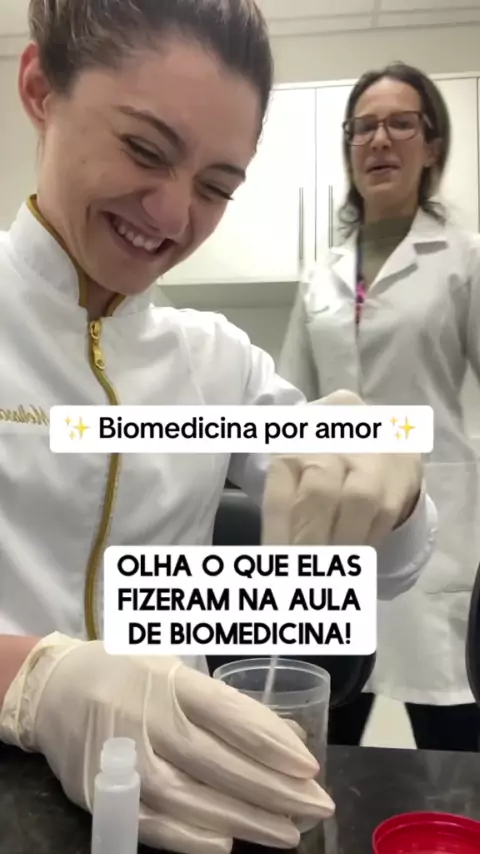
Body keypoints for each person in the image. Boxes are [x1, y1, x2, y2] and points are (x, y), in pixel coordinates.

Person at [0, 2, 437, 850]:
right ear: (41, 88)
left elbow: (388, 567)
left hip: (184, 805)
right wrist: (31, 681)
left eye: (216, 187)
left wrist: (392, 481)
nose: (172, 217)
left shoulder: (217, 363)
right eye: (144, 149)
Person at [279, 61, 480, 752]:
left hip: (437, 525)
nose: (380, 140)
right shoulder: (322, 273)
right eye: (363, 127)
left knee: (452, 739)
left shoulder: (464, 259)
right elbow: (293, 401)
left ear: (432, 145)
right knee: (316, 738)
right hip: (339, 528)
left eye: (401, 124)